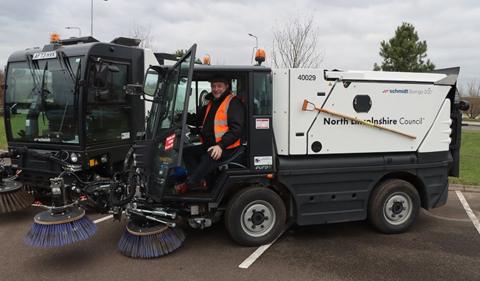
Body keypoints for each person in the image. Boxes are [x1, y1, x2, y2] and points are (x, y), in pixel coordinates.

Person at [176, 77, 245, 193]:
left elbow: (236, 130)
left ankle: (191, 184)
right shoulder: (213, 103)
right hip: (211, 144)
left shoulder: (233, 102)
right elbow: (199, 119)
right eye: (213, 86)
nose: (216, 89)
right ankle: (200, 181)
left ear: (226, 86)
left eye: (219, 86)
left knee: (208, 157)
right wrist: (182, 116)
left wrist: (221, 146)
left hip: (227, 146)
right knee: (187, 152)